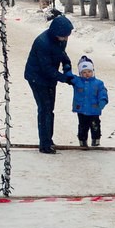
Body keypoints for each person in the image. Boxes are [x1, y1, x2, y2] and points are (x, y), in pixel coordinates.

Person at [23, 14, 73, 154]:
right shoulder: (42, 43)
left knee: (50, 110)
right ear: (56, 33)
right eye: (64, 36)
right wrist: (65, 79)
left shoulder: (60, 40)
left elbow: (61, 54)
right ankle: (44, 144)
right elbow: (47, 69)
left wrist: (67, 66)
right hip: (37, 78)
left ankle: (48, 140)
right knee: (44, 109)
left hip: (50, 78)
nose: (66, 39)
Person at [71, 55, 108, 148]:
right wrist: (67, 69)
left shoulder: (98, 83)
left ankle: (96, 139)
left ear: (93, 71)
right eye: (84, 72)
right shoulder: (77, 81)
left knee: (95, 125)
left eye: (89, 71)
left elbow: (103, 92)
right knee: (83, 126)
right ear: (80, 73)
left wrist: (102, 100)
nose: (87, 74)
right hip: (82, 109)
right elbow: (69, 77)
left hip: (94, 109)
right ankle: (82, 140)